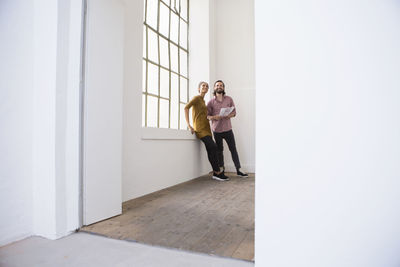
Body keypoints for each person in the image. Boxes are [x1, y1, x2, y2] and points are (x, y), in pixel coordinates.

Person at [185, 81, 229, 181]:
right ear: (199, 89)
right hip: (200, 129)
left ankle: (216, 172)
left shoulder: (204, 101)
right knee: (213, 147)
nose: (205, 87)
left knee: (211, 149)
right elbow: (186, 108)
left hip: (207, 129)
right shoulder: (196, 98)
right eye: (203, 86)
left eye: (206, 86)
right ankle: (217, 172)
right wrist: (189, 125)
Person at [207, 80, 248, 177]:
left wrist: (230, 115)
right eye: (217, 85)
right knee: (219, 151)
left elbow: (234, 113)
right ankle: (221, 169)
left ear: (223, 88)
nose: (219, 87)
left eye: (221, 85)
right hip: (216, 130)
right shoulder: (210, 102)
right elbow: (207, 116)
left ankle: (239, 169)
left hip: (228, 129)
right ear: (214, 88)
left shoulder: (229, 99)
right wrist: (214, 117)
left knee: (233, 149)